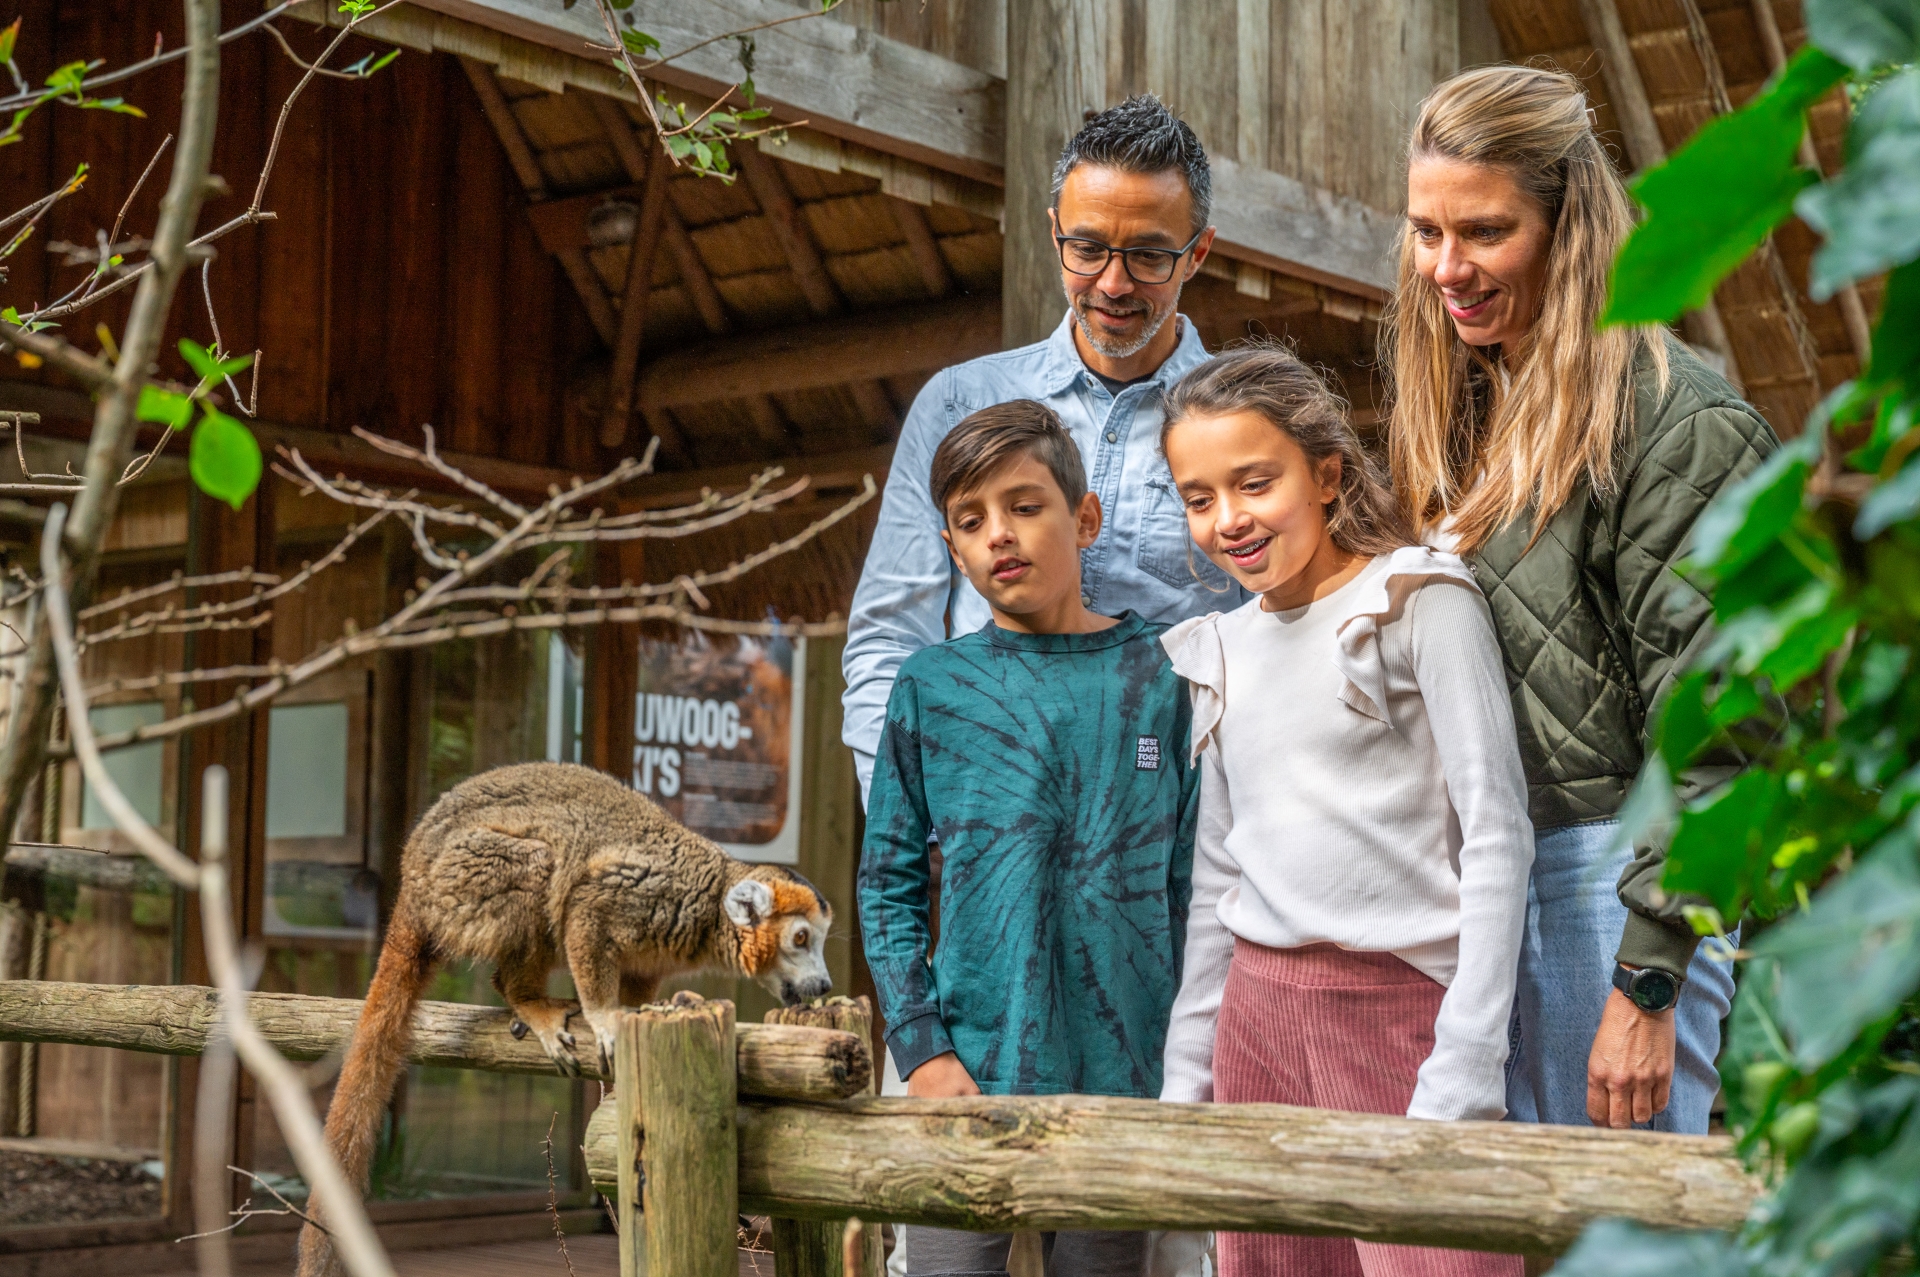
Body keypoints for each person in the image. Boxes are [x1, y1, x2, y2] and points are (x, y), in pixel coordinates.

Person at [1384, 65, 1777, 1132]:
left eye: (1484, 231)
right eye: (1427, 232)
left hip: (1613, 884)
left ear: (1571, 225)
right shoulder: (1472, 404)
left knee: (1614, 1235)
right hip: (1482, 886)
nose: (1447, 268)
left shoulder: (1674, 418)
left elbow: (1722, 728)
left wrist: (1647, 981)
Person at [1155, 345, 1532, 1277]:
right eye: (1198, 498)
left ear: (1325, 473)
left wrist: (1468, 1061)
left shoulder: (1413, 599)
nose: (1228, 521)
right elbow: (1218, 882)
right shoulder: (1220, 647)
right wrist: (1185, 1080)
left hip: (1401, 1009)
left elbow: (1496, 832)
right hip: (1258, 1022)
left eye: (1254, 483)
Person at [860, 401, 1199, 1277]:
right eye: (971, 522)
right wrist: (920, 1049)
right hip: (964, 1072)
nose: (999, 536)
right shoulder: (931, 687)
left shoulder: (1166, 674)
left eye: (1024, 505)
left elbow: (1194, 880)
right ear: (951, 549)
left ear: (1084, 519)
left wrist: (1187, 1059)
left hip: (1123, 1078)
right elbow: (887, 881)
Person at [842, 94, 1248, 802]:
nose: (1113, 283)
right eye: (1088, 248)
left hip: (1175, 837)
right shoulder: (960, 403)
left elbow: (1287, 639)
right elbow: (888, 634)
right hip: (989, 818)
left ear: (1198, 253)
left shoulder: (1251, 425)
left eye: (1149, 254)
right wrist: (912, 823)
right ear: (1055, 231)